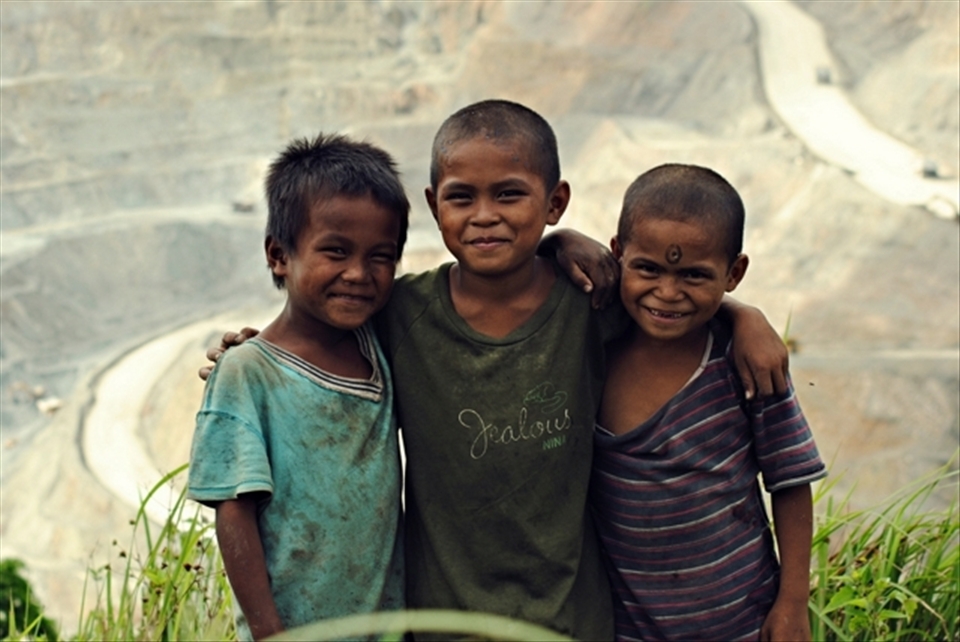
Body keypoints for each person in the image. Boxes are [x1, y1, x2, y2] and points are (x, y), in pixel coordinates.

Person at [203, 100, 790, 639]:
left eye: (509, 195)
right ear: (435, 207)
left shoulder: (587, 303)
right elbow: (319, 326)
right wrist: (252, 354)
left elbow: (666, 300)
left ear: (555, 202)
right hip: (442, 622)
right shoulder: (401, 315)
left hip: (573, 619)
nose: (485, 216)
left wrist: (744, 317)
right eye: (462, 197)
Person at [187, 133, 408, 641]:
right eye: (335, 251)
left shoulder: (381, 345)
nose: (359, 273)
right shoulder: (248, 373)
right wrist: (269, 633)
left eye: (381, 256)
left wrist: (557, 243)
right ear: (279, 255)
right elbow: (234, 513)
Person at [593, 163, 826, 642]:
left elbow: (790, 479)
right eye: (648, 269)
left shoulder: (745, 364)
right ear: (617, 256)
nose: (668, 292)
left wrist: (793, 600)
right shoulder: (589, 345)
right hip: (628, 628)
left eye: (694, 275)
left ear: (734, 273)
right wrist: (560, 241)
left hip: (741, 622)